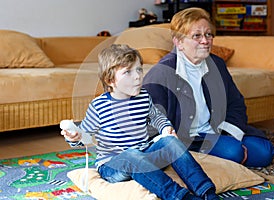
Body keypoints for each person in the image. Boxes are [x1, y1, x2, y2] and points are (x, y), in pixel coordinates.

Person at [61, 44, 219, 200]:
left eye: (139, 69)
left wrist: (165, 128)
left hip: (144, 155)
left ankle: (206, 192)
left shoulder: (143, 96)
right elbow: (84, 135)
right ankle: (179, 196)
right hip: (112, 166)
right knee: (131, 155)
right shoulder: (98, 106)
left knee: (170, 142)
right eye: (128, 72)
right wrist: (74, 137)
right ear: (110, 80)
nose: (137, 76)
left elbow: (156, 116)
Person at [143, 7, 274, 168]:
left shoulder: (217, 64)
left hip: (216, 131)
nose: (205, 41)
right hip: (185, 138)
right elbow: (149, 117)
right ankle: (201, 157)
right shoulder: (161, 72)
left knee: (264, 152)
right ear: (179, 42)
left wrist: (228, 135)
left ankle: (215, 157)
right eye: (197, 36)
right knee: (234, 152)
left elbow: (236, 103)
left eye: (208, 34)